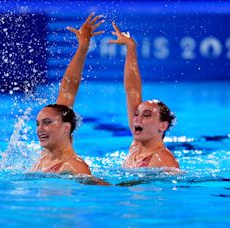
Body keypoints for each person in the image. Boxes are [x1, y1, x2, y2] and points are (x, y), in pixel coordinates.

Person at [29, 13, 104, 175]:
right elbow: (67, 89)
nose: (39, 129)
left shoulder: (74, 167)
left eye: (47, 122)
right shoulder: (47, 156)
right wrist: (82, 47)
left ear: (65, 128)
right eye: (38, 123)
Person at [109, 22, 179, 169]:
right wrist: (131, 48)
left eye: (147, 115)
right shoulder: (136, 147)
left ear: (163, 125)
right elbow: (132, 90)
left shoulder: (163, 160)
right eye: (136, 114)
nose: (137, 119)